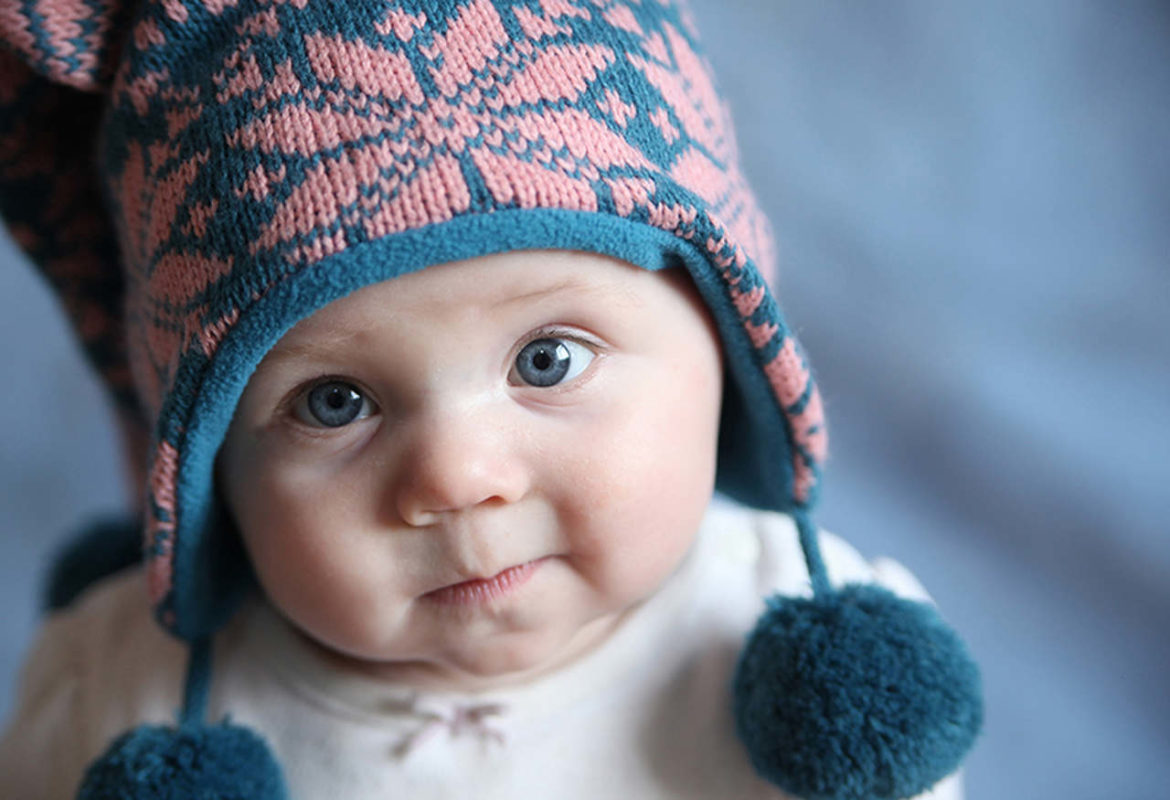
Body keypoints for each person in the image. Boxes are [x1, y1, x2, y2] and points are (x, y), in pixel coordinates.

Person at [0, 1, 981, 798]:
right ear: (206, 466)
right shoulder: (120, 701)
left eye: (549, 360)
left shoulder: (816, 665)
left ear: (733, 351)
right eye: (335, 402)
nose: (457, 477)